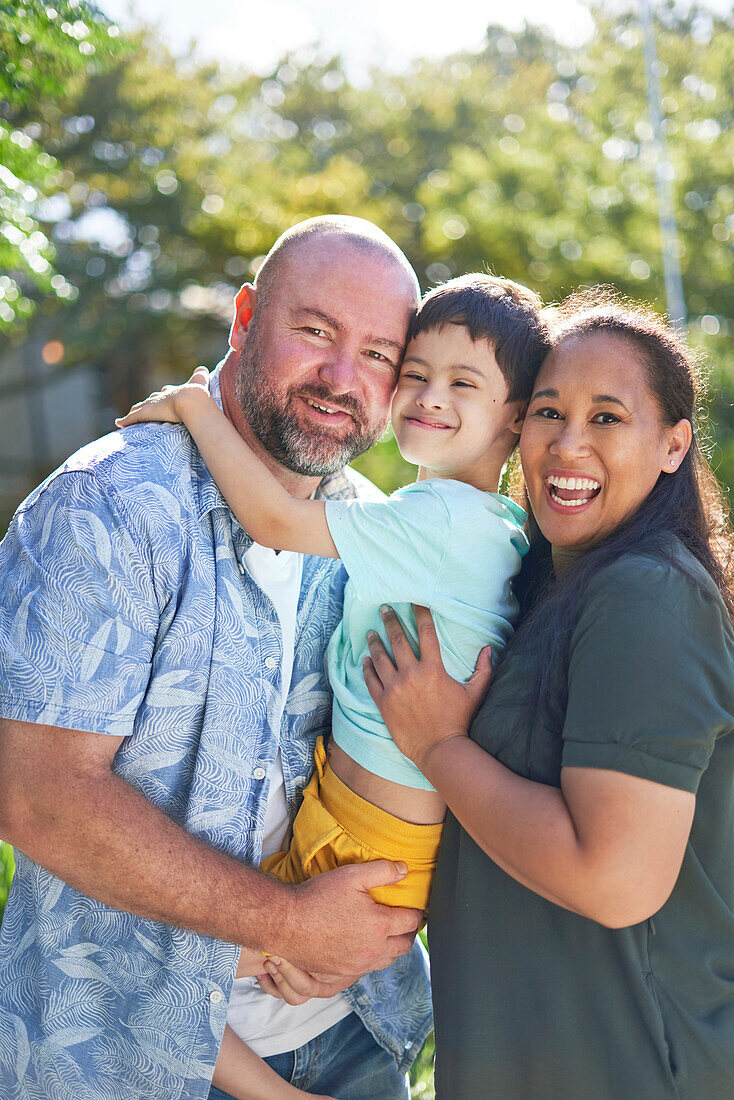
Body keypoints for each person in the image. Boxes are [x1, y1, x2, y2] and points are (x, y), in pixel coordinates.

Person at [0, 216, 433, 1100]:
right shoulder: (111, 506)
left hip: (350, 1035)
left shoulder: (377, 532)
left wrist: (346, 939)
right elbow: (36, 794)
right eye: (315, 331)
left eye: (380, 354)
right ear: (245, 318)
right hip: (121, 1057)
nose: (342, 379)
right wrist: (289, 923)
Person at [117, 272, 551, 1098]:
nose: (427, 397)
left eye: (464, 384)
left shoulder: (441, 523)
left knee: (171, 965)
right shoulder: (476, 524)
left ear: (517, 416)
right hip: (369, 823)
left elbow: (274, 520)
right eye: (414, 373)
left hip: (370, 838)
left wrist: (196, 407)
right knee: (250, 964)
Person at [363, 291, 734, 1098]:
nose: (568, 446)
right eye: (546, 412)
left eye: (607, 418)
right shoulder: (537, 585)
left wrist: (440, 747)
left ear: (673, 446)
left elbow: (615, 878)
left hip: (626, 1067)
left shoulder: (649, 595)